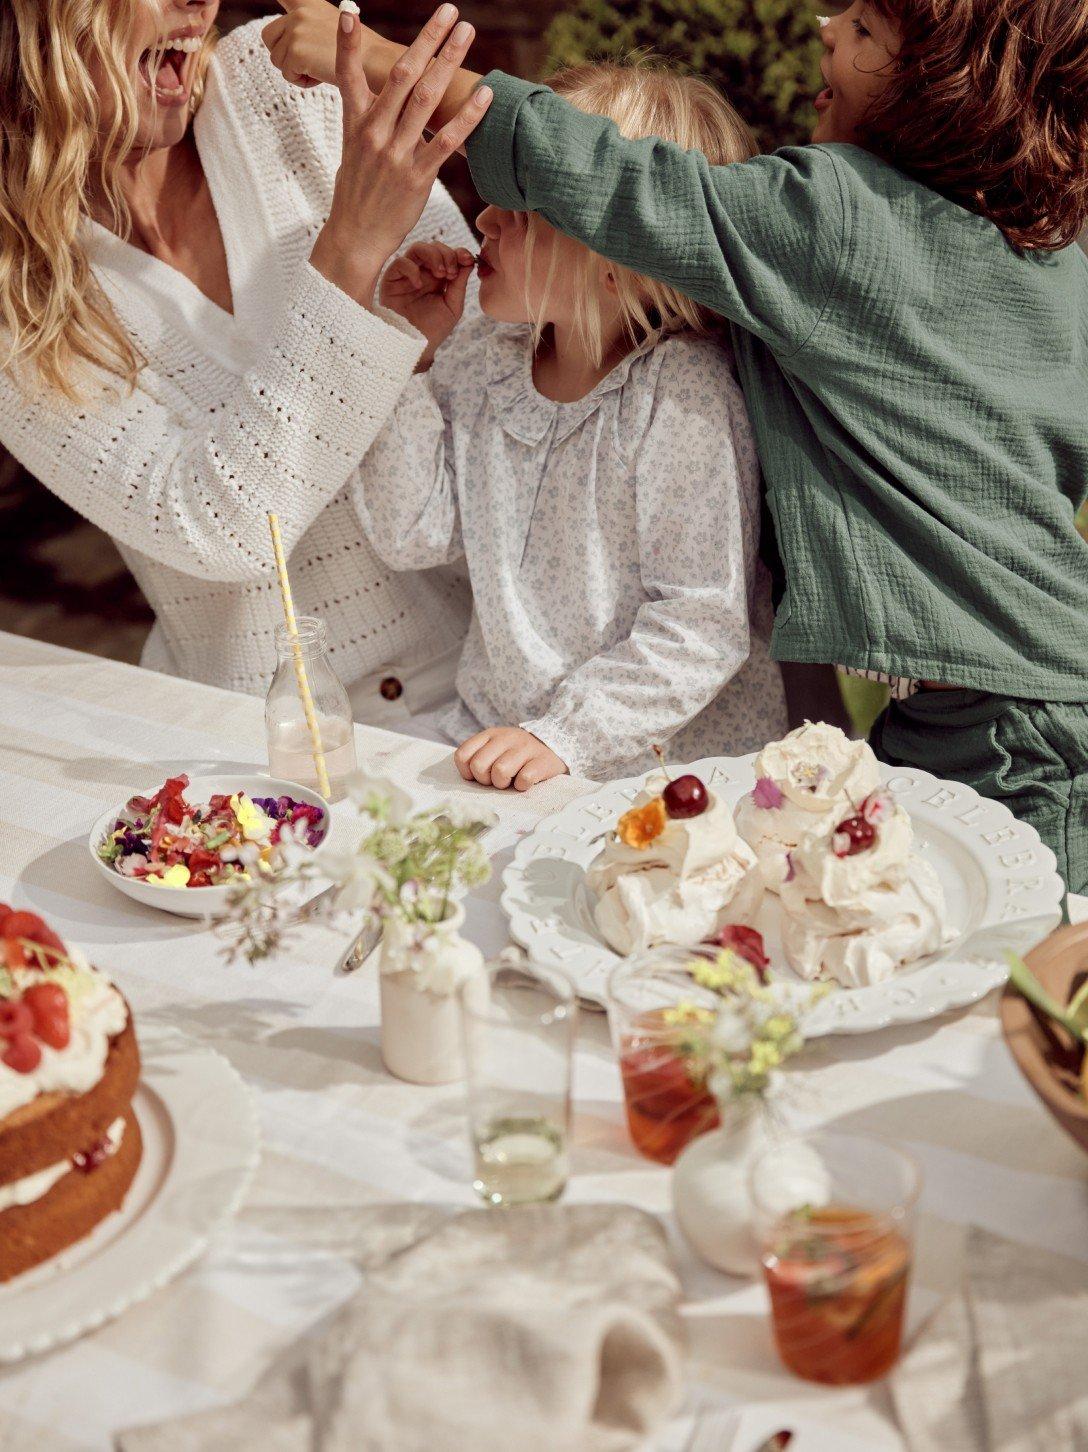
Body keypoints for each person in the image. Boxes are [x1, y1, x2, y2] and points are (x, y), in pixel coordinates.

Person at [267, 0, 1088, 887]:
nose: (823, 24)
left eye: (864, 29)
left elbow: (622, 184)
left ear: (940, 87)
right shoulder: (1028, 248)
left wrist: (389, 61)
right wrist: (416, 356)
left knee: (1028, 983)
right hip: (950, 702)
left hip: (1002, 726)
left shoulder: (842, 227)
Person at [0, 0, 491, 730]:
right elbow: (222, 530)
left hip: (493, 691)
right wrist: (347, 254)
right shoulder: (19, 290)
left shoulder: (288, 86)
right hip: (265, 749)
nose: (199, 3)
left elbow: (493, 373)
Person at [352, 60, 787, 790]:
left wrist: (564, 736)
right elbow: (413, 534)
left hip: (663, 779)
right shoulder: (487, 355)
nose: (483, 219)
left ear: (618, 259)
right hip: (502, 743)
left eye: (519, 211)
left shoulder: (681, 395)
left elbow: (701, 624)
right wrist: (411, 356)